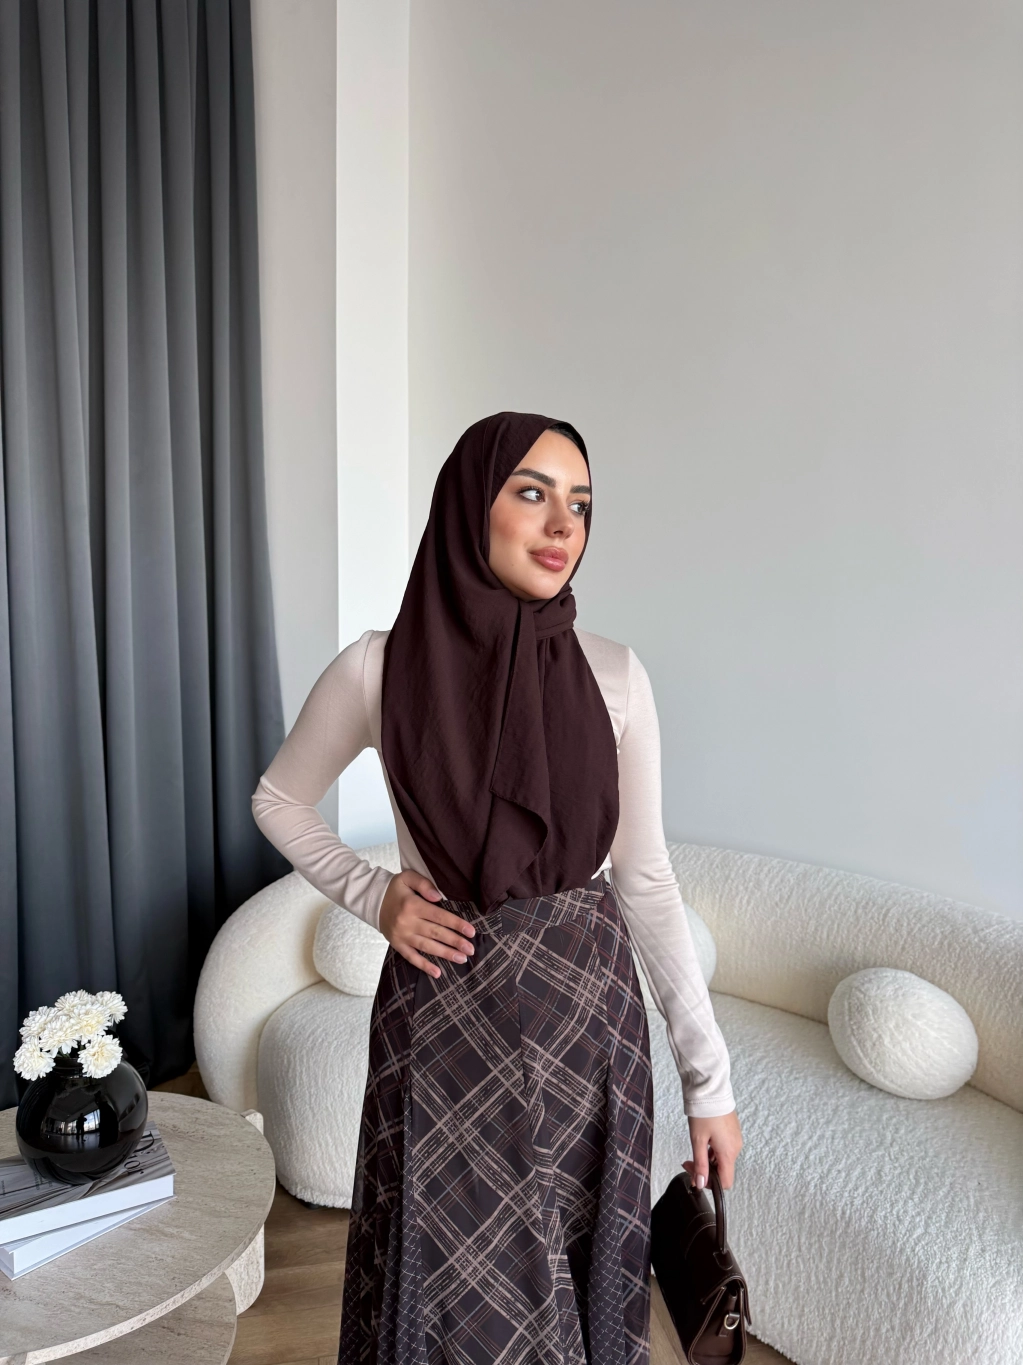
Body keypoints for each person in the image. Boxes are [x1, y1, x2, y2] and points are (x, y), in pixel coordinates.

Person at [251, 411, 743, 1365]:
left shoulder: (616, 676)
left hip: (588, 1031)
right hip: (443, 1026)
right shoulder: (378, 666)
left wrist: (708, 1083)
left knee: (575, 1295)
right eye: (531, 492)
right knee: (447, 1303)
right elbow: (279, 798)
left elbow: (644, 879)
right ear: (470, 505)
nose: (562, 524)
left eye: (581, 504)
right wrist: (374, 895)